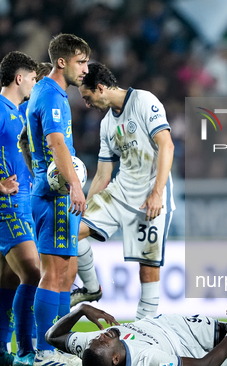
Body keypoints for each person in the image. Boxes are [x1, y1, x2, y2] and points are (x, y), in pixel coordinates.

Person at [74, 63, 176, 321]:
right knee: (70, 232)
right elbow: (102, 174)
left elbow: (167, 146)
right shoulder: (107, 124)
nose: (87, 104)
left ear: (99, 88)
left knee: (148, 271)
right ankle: (91, 288)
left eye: (87, 98)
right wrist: (83, 207)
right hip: (119, 193)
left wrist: (157, 193)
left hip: (150, 197)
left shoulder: (144, 101)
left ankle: (145, 329)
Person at [26, 33, 90, 366]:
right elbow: (56, 144)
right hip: (54, 195)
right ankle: (44, 351)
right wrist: (76, 186)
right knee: (53, 273)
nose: (86, 69)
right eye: (81, 62)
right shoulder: (52, 96)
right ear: (61, 62)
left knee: (65, 272)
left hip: (52, 192)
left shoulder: (48, 93)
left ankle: (60, 346)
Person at [0, 51, 40, 366]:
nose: (33, 82)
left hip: (21, 205)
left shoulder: (17, 112)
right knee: (33, 272)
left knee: (7, 282)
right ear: (19, 78)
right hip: (7, 206)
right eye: (31, 77)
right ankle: (27, 350)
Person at [46, 303, 227, 366]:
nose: (101, 335)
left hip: (173, 324)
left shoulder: (93, 347)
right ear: (116, 359)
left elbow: (52, 336)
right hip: (188, 346)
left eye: (97, 337)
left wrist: (81, 309)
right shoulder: (149, 360)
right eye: (103, 341)